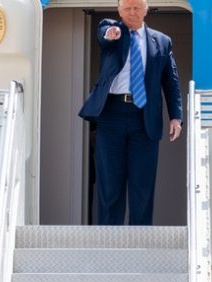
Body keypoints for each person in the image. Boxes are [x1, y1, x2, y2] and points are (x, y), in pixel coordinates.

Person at [79, 0, 182, 225]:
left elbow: (171, 81)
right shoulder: (111, 29)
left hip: (145, 116)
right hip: (112, 115)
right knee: (110, 185)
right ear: (119, 11)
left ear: (146, 10)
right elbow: (104, 35)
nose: (131, 13)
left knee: (142, 187)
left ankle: (140, 239)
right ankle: (109, 239)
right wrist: (111, 33)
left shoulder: (162, 42)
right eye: (126, 8)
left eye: (136, 8)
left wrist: (176, 116)